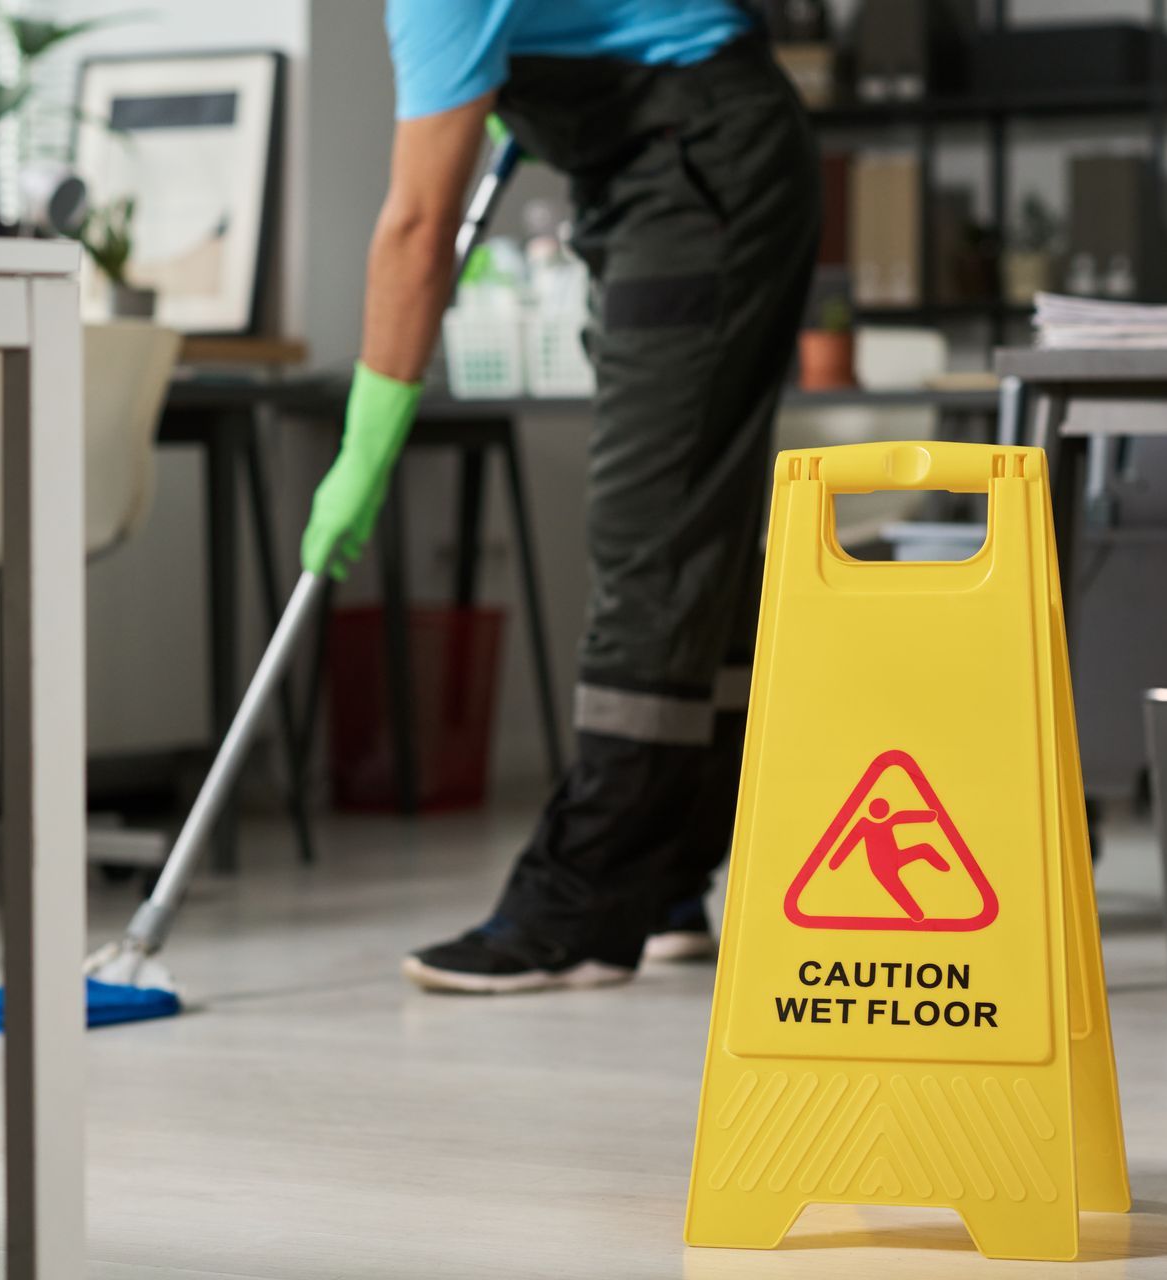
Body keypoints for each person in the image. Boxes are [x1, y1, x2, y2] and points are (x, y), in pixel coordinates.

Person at [302, 0, 819, 994]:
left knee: (653, 528)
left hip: (700, 158)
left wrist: (364, 447)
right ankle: (662, 869)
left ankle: (583, 903)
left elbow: (417, 225)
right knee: (689, 530)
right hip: (676, 160)